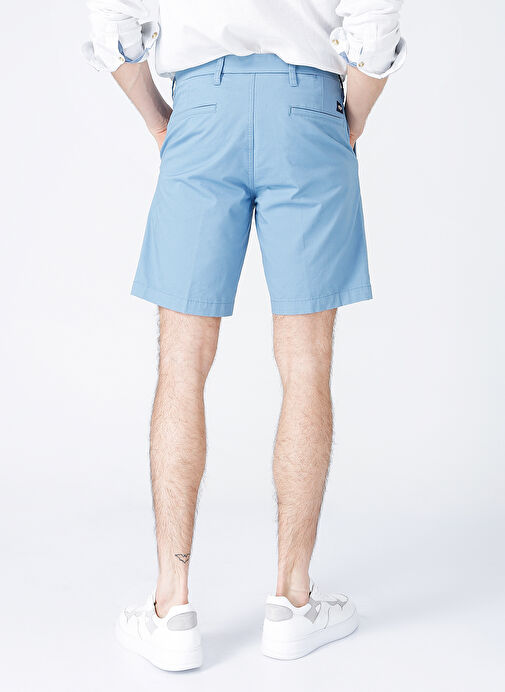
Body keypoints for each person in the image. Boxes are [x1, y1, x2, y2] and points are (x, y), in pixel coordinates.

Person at [84, 0, 405, 671]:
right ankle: (291, 602)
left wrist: (159, 119)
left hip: (203, 111)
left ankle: (171, 607)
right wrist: (351, 118)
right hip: (308, 111)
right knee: (306, 363)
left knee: (181, 363)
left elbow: (111, 19)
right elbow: (375, 24)